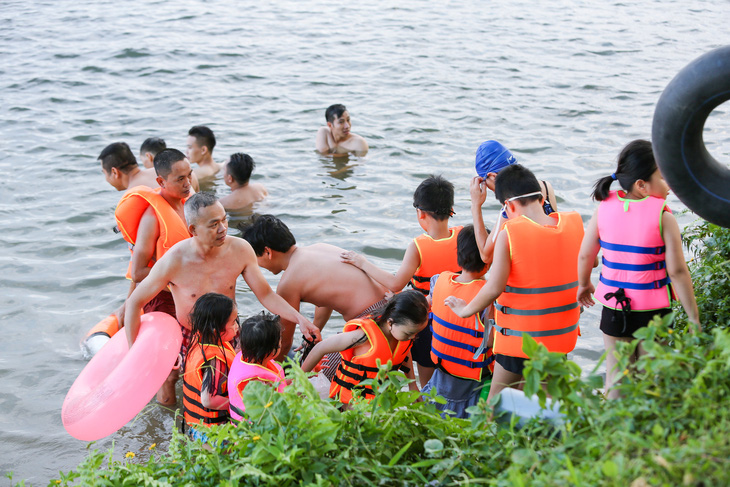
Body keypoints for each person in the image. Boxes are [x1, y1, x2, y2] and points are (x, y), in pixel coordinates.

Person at [124, 193, 318, 405]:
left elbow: (266, 295)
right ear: (193, 230)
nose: (223, 228)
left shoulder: (240, 250)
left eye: (224, 219)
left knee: (231, 385)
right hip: (190, 334)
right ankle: (169, 430)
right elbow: (135, 302)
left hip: (229, 331)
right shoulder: (174, 260)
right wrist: (135, 352)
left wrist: (301, 320)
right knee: (170, 380)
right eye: (214, 224)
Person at [445, 164, 584, 403]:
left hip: (520, 341)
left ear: (508, 205)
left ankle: (488, 439)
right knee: (548, 404)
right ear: (541, 199)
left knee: (494, 405)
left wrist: (464, 310)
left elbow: (494, 287)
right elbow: (587, 265)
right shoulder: (573, 225)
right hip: (559, 339)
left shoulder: (510, 233)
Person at [576, 139, 700, 399]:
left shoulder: (604, 207)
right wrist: (693, 317)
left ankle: (611, 436)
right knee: (650, 383)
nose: (670, 186)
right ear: (642, 185)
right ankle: (644, 436)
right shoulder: (664, 216)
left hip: (614, 308)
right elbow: (677, 272)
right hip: (653, 313)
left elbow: (586, 254)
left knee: (616, 380)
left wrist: (584, 283)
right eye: (664, 178)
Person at [340, 175, 461, 386]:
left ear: (420, 213)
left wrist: (361, 262)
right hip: (457, 317)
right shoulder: (462, 236)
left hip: (427, 322)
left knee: (428, 382)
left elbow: (396, 283)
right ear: (450, 208)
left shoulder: (419, 246)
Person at [242, 214, 389, 362]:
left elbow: (284, 343)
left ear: (267, 252)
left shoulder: (289, 282)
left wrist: (275, 371)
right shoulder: (319, 248)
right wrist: (312, 335)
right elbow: (327, 297)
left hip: (373, 321)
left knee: (324, 372)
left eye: (255, 258)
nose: (257, 265)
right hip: (393, 306)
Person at [301, 290, 428, 405]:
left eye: (415, 334)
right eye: (409, 333)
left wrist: (412, 384)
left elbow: (404, 352)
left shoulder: (402, 337)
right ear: (390, 323)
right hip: (350, 402)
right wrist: (300, 379)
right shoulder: (361, 336)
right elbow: (321, 347)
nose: (412, 337)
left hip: (379, 403)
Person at [422, 225, 494, 418]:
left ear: (458, 256)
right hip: (472, 386)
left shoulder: (438, 281)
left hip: (440, 377)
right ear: (489, 259)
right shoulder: (490, 296)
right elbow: (491, 342)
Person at [470, 140, 558, 265]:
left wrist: (475, 205)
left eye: (484, 181)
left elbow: (486, 256)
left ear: (492, 176)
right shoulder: (545, 187)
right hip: (554, 266)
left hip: (530, 277)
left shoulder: (509, 208)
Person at [182, 293, 239, 440]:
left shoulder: (199, 340)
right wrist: (239, 404)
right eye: (233, 322)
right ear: (217, 331)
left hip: (195, 424)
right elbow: (208, 400)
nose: (237, 326)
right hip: (210, 432)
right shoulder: (214, 361)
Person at [228, 312, 286, 421]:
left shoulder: (242, 357)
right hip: (254, 434)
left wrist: (305, 375)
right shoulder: (256, 381)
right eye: (280, 340)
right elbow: (278, 407)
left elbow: (281, 384)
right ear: (271, 350)